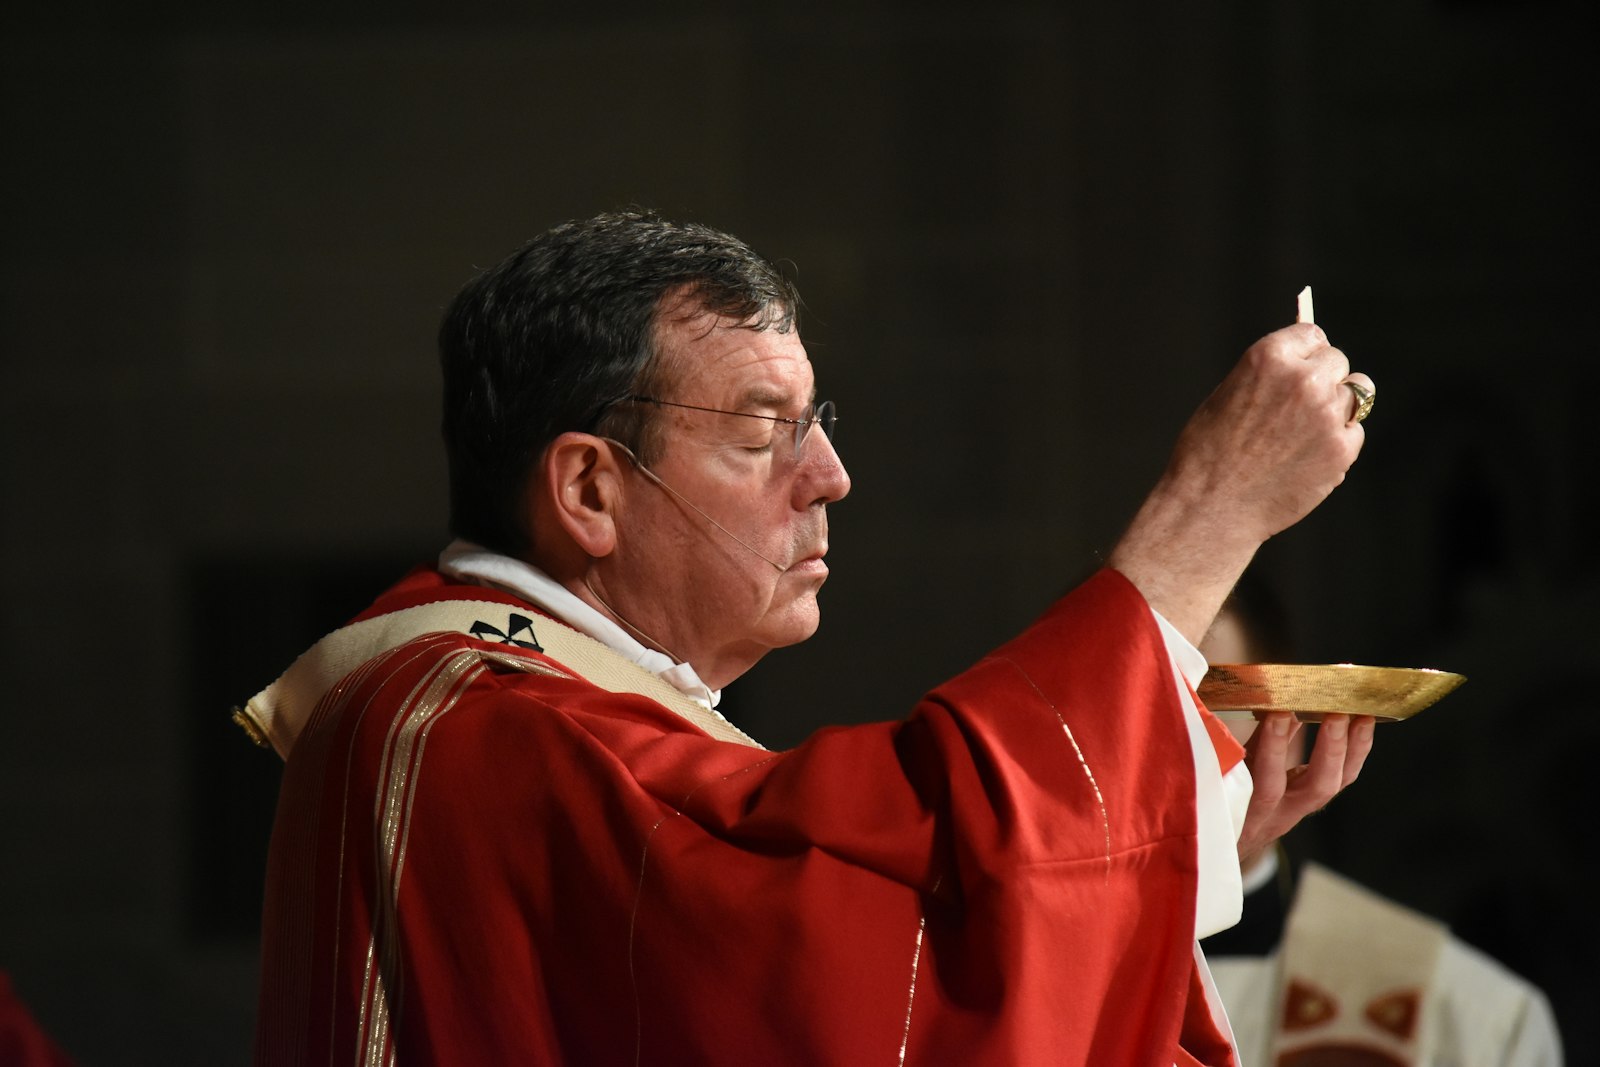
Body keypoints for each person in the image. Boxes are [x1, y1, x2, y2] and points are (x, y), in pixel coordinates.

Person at [243, 210, 1377, 1064]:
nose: (829, 476)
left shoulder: (484, 702)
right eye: (760, 435)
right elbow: (857, 971)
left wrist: (1162, 848)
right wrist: (1208, 512)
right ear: (589, 488)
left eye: (816, 424)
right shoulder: (481, 726)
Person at [1198, 586, 1564, 1065]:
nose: (1145, 739)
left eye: (1203, 700)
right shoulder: (1064, 968)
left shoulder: (1473, 1021)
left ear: (1285, 734)